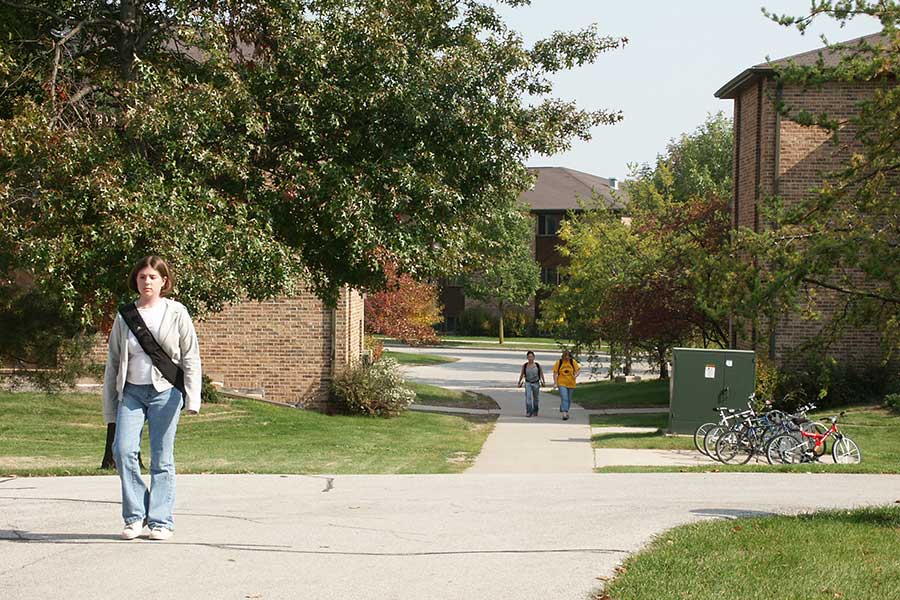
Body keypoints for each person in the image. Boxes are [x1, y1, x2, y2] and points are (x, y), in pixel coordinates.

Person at [102, 256, 202, 541]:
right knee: (122, 451)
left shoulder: (177, 312)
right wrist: (110, 405)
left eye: (153, 277)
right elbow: (113, 361)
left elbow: (190, 356)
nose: (147, 281)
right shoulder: (125, 316)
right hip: (131, 392)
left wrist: (192, 398)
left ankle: (160, 521)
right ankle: (135, 516)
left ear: (164, 282)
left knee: (162, 458)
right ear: (135, 280)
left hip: (165, 392)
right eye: (142, 276)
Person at [552, 350, 580, 420]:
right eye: (565, 356)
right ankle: (564, 413)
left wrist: (575, 375)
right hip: (561, 383)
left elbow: (578, 370)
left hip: (571, 383)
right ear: (563, 356)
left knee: (569, 399)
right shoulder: (559, 362)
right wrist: (555, 383)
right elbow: (555, 373)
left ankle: (563, 408)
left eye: (568, 356)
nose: (567, 358)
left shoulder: (572, 362)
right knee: (564, 398)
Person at [517, 351, 545, 417]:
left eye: (531, 357)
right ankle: (529, 412)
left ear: (534, 357)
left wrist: (543, 381)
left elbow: (541, 373)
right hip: (528, 383)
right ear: (527, 357)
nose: (530, 358)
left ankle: (535, 410)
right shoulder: (525, 365)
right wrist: (519, 382)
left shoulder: (537, 365)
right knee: (528, 398)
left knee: (536, 399)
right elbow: (522, 374)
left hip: (536, 383)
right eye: (529, 357)